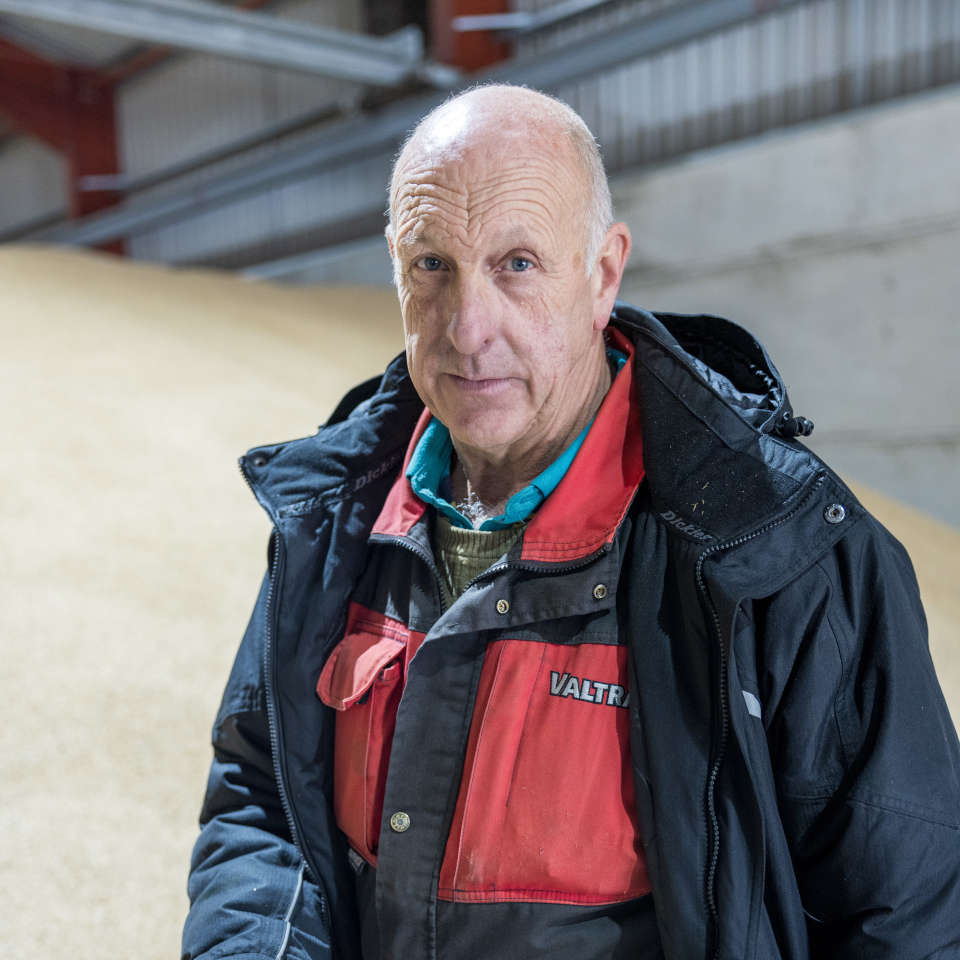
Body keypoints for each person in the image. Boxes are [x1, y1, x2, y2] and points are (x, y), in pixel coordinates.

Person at [182, 85, 960, 960]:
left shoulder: (782, 551)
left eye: (517, 264)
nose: (469, 331)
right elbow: (264, 793)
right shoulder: (337, 514)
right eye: (431, 265)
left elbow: (909, 917)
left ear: (601, 275)